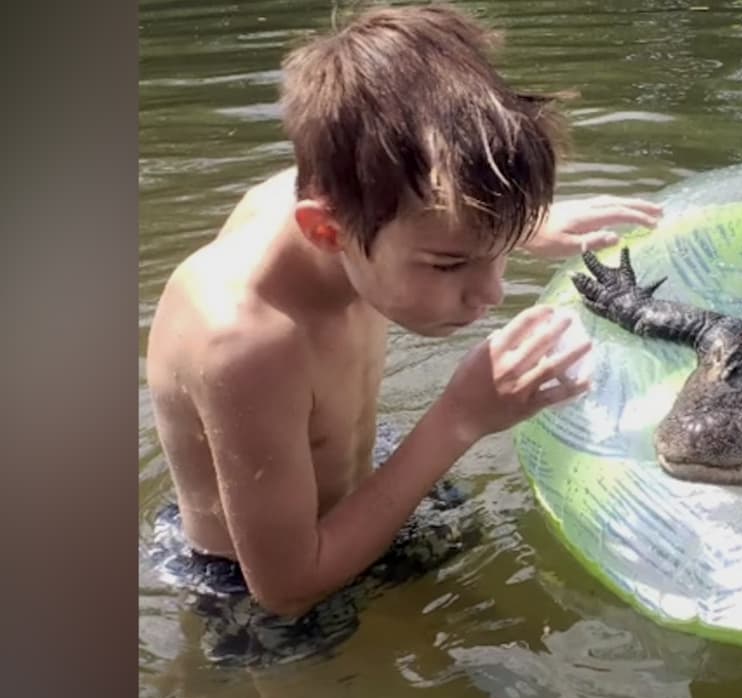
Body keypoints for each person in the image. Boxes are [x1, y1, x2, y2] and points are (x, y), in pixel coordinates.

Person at [143, 1, 661, 660]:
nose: (491, 293)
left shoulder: (347, 201)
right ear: (326, 230)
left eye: (497, 252)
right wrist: (459, 419)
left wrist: (513, 225)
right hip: (260, 583)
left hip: (363, 480)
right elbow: (287, 589)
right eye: (451, 263)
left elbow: (420, 199)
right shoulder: (246, 340)